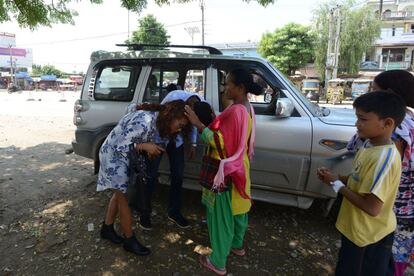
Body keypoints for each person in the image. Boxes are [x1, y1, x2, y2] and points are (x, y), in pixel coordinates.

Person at [317, 91, 406, 276]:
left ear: (387, 123)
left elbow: (372, 207)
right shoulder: (369, 145)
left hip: (369, 237)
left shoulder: (384, 158)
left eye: (363, 119)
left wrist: (336, 185)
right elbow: (359, 181)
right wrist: (337, 178)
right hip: (356, 230)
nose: (357, 124)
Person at [185, 68, 263, 275]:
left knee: (221, 216)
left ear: (240, 88)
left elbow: (222, 145)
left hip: (225, 171)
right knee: (238, 210)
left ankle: (217, 261)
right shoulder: (247, 107)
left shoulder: (236, 110)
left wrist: (199, 125)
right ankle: (237, 246)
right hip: (239, 167)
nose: (224, 87)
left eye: (228, 83)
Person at [97, 100, 189, 256]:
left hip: (121, 156)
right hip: (113, 155)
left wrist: (149, 147)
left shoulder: (157, 121)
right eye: (179, 125)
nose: (179, 130)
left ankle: (107, 228)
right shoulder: (145, 120)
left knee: (118, 194)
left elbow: (134, 141)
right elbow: (120, 144)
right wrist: (144, 146)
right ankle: (129, 240)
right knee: (123, 198)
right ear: (171, 116)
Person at [347, 70, 414, 276]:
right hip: (405, 208)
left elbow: (387, 172)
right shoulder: (409, 120)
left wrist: (340, 185)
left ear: (389, 94)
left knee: (374, 263)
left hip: (385, 207)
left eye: (375, 90)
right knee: (395, 261)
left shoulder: (391, 134)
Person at [128, 89, 203, 230]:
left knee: (178, 175)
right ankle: (145, 213)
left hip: (176, 140)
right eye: (182, 124)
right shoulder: (173, 98)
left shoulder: (200, 103)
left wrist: (193, 143)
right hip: (160, 136)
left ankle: (174, 212)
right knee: (150, 175)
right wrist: (150, 146)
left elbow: (192, 124)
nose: (184, 126)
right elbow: (161, 121)